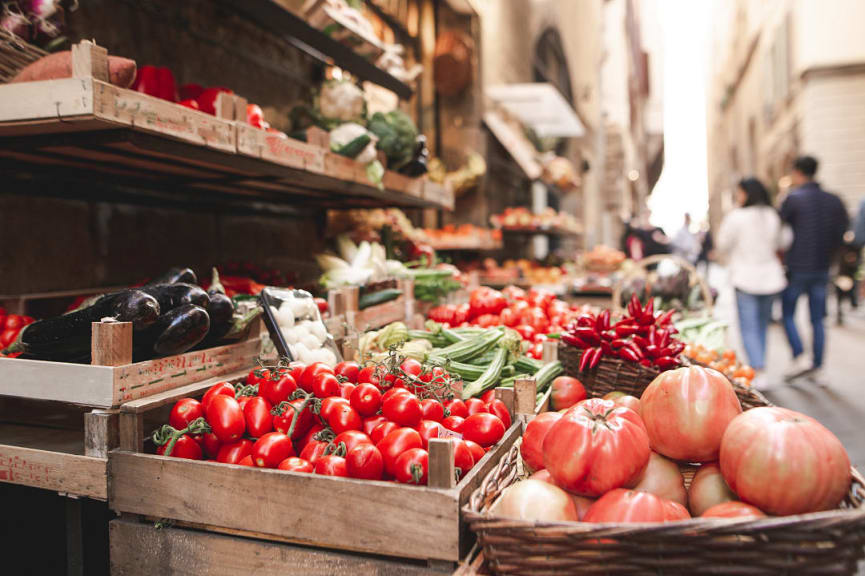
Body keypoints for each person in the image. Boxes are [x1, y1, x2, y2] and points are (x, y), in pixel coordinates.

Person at [779, 155, 849, 382]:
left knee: (787, 313)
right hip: (822, 266)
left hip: (797, 267)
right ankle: (818, 367)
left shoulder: (793, 199)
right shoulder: (833, 200)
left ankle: (799, 356)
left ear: (797, 172)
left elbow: (780, 229)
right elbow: (842, 233)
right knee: (818, 318)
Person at [717, 178, 791, 389]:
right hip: (771, 277)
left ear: (746, 193)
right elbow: (784, 241)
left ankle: (758, 369)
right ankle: (761, 367)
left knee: (749, 327)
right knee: (761, 326)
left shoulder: (736, 217)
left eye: (739, 193)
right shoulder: (773, 215)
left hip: (745, 277)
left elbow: (723, 243)